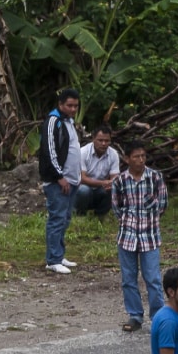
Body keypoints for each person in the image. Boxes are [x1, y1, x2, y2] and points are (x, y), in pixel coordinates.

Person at [112, 143, 168, 332]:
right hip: (127, 236)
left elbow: (163, 205)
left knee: (152, 278)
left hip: (150, 236)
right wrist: (128, 221)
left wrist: (149, 218)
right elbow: (117, 208)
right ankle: (135, 315)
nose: (141, 160)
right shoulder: (120, 181)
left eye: (143, 156)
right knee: (128, 279)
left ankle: (158, 316)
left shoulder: (155, 177)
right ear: (127, 159)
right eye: (136, 156)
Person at [37, 88, 82, 274]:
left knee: (65, 218)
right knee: (56, 219)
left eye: (76, 106)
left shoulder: (69, 122)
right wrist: (59, 176)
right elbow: (49, 151)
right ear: (61, 104)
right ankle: (53, 259)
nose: (73, 109)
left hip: (71, 180)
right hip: (58, 181)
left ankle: (59, 254)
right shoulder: (53, 121)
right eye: (69, 105)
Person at [74, 125, 120, 217]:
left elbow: (115, 178)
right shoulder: (83, 152)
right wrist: (104, 182)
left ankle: (100, 215)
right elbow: (82, 179)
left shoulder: (113, 154)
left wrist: (112, 184)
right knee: (84, 190)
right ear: (93, 139)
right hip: (82, 189)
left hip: (99, 190)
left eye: (107, 141)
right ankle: (79, 213)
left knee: (114, 189)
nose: (103, 143)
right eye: (100, 140)